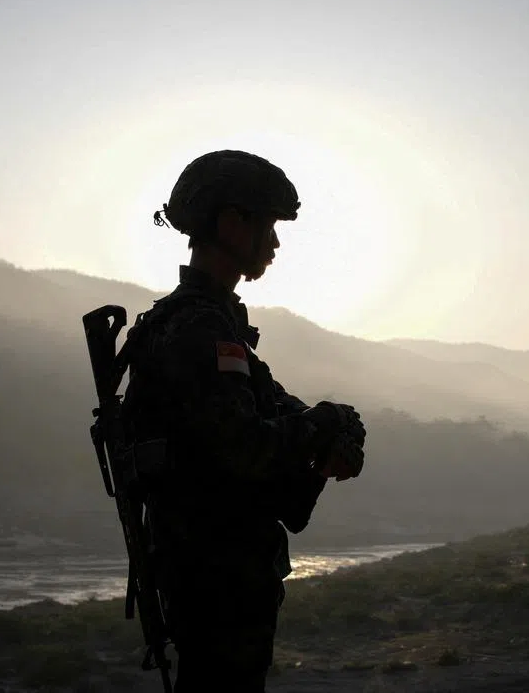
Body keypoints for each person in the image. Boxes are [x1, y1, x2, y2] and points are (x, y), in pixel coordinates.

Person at [121, 150, 367, 691]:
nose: (276, 244)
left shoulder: (210, 325)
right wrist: (323, 424)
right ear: (232, 223)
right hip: (216, 580)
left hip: (221, 576)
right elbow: (247, 445)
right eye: (269, 225)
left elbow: (279, 408)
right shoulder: (198, 331)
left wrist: (335, 426)